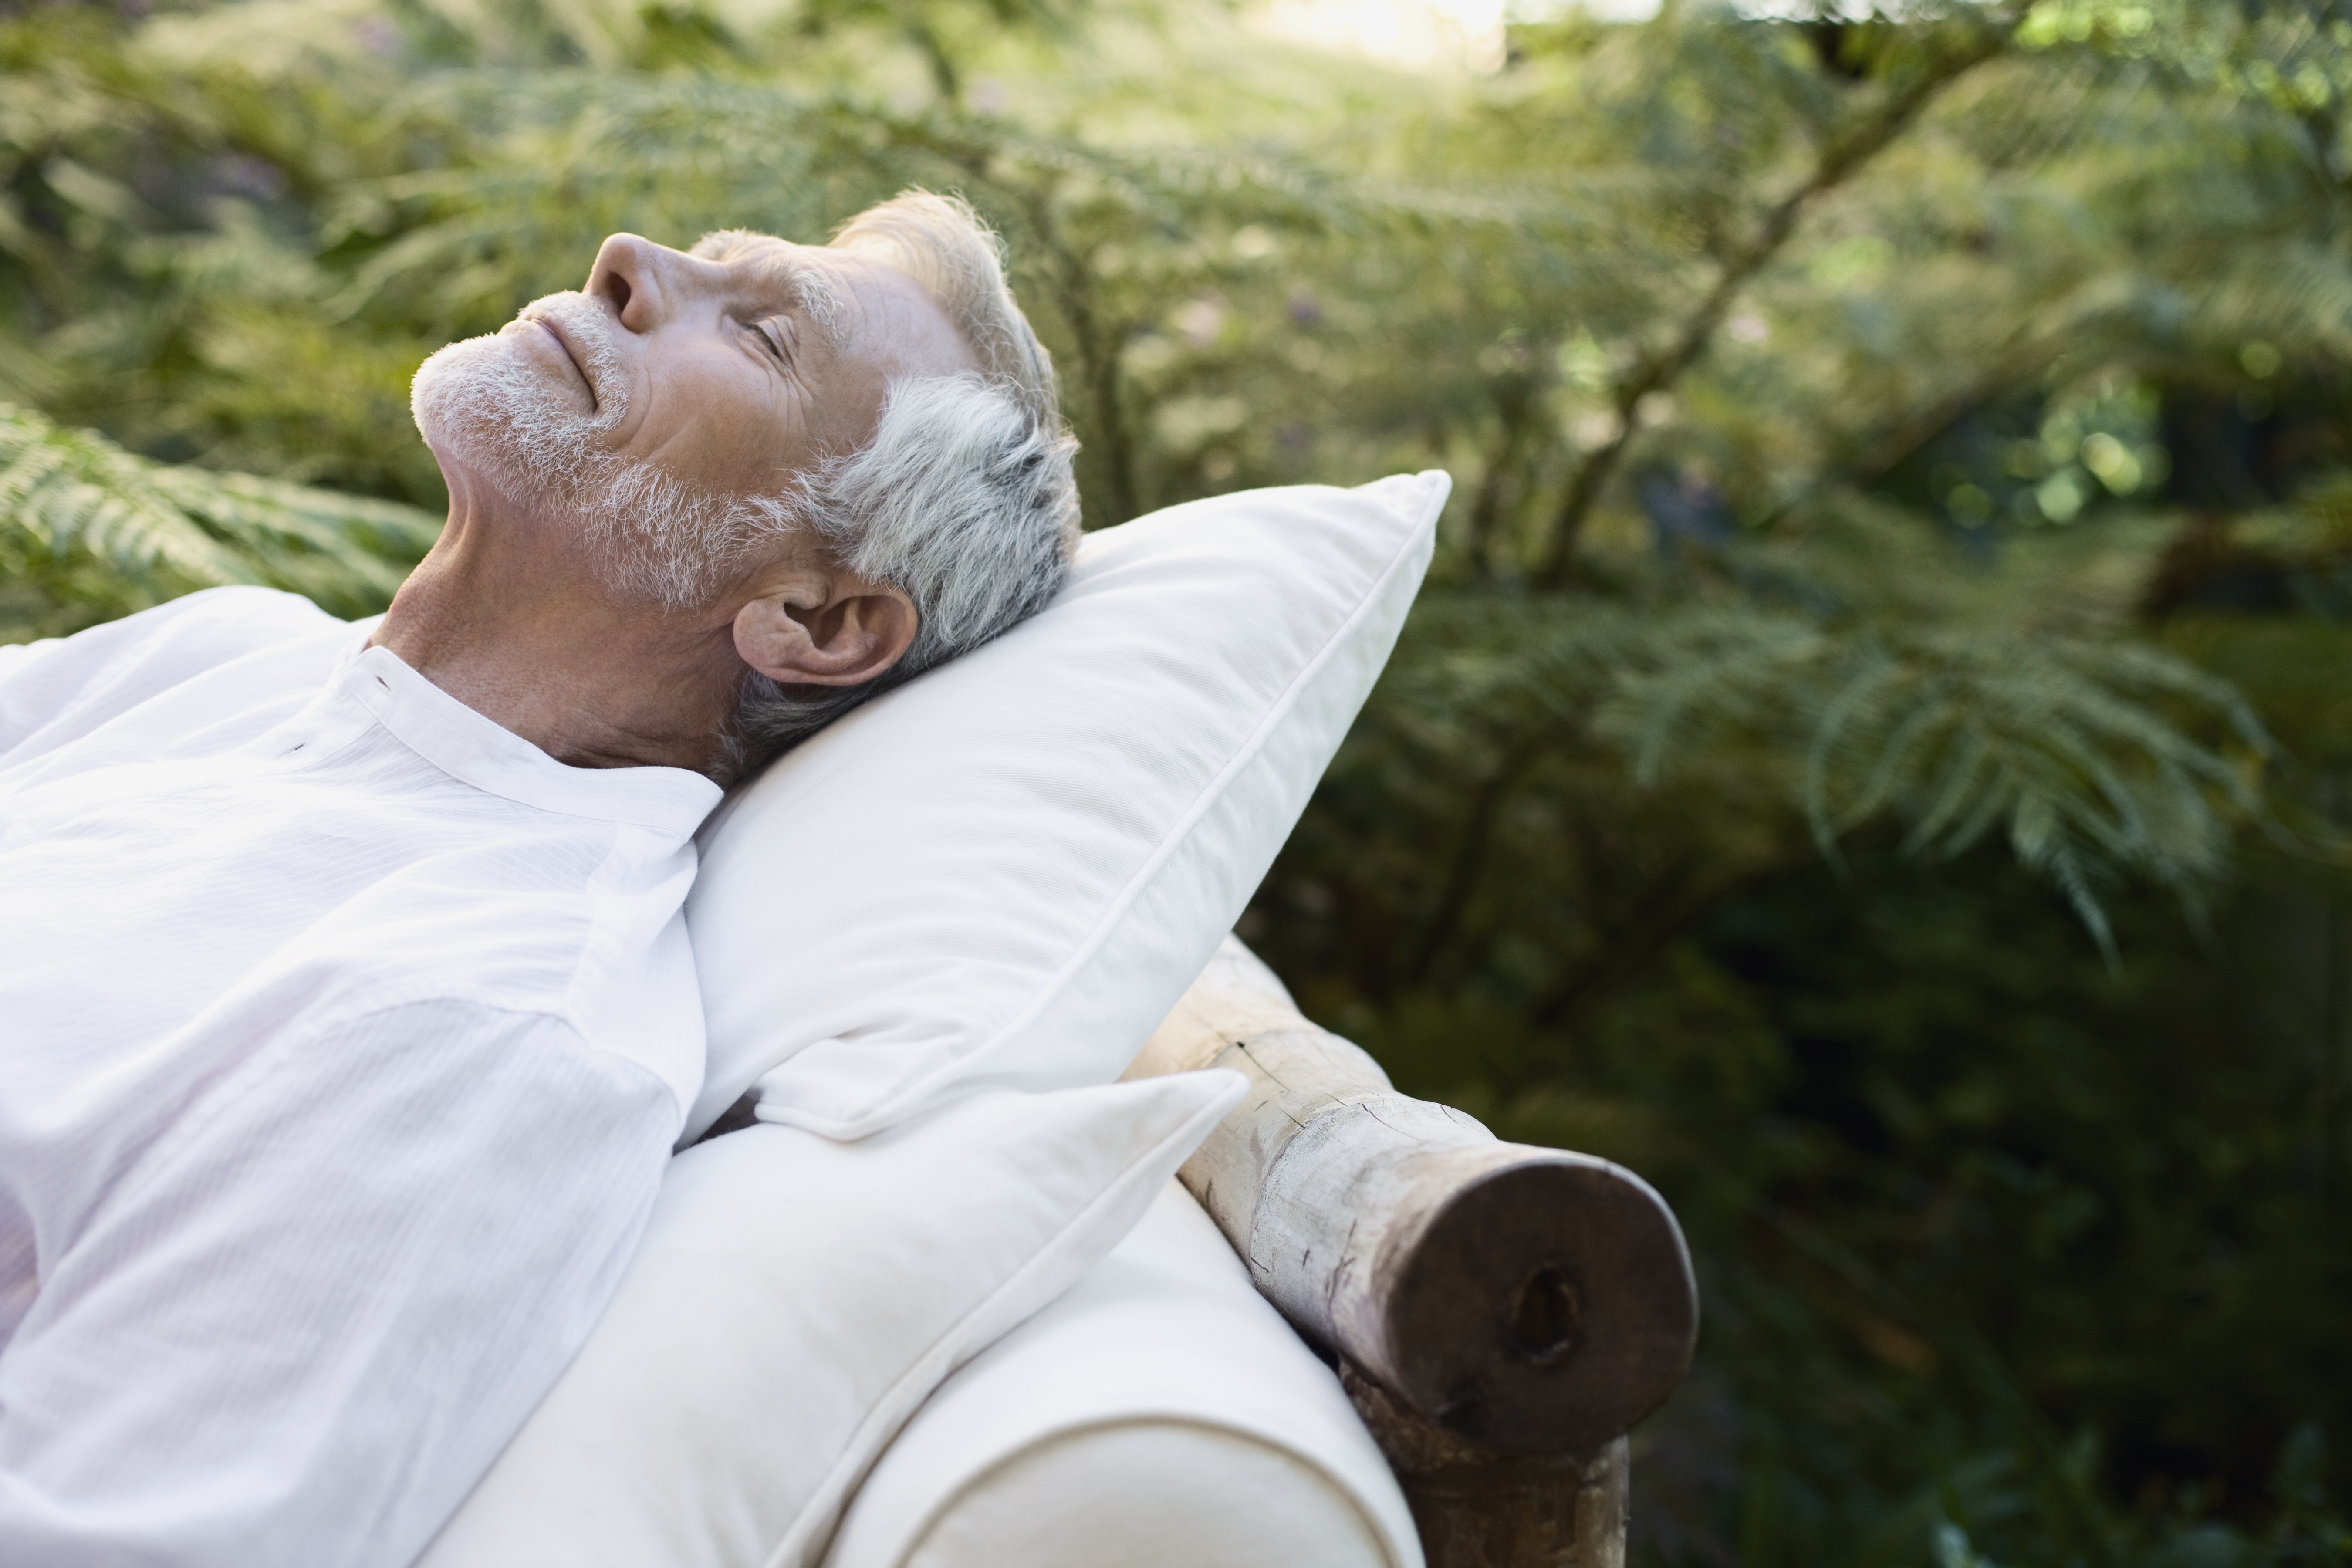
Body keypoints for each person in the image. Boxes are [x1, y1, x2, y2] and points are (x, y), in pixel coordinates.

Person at [0, 191, 1079, 1567]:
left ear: (817, 619)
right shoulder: (233, 654)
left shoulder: (486, 1028)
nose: (630, 260)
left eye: (761, 337)